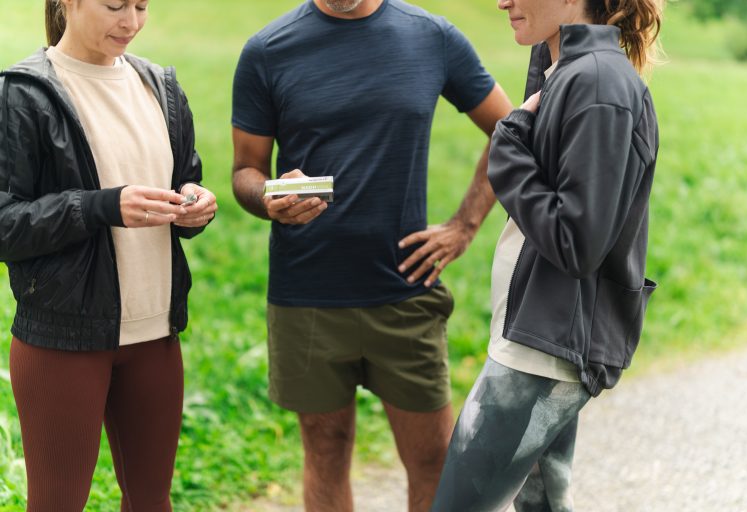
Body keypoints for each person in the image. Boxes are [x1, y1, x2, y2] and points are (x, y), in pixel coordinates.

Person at [231, 0, 512, 510]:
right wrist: (268, 195)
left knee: (434, 457)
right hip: (307, 296)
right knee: (325, 450)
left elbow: (510, 130)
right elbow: (245, 171)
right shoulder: (267, 51)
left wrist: (465, 225)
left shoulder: (432, 37)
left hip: (405, 292)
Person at [430, 0, 662, 510]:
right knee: (543, 504)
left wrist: (507, 149)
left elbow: (576, 242)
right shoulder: (570, 71)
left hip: (543, 349)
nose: (503, 2)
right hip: (541, 334)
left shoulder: (598, 83)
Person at [0, 0, 217, 510]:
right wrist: (102, 206)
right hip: (64, 340)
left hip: (157, 335)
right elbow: (6, 222)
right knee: (57, 503)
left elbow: (185, 177)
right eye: (115, 5)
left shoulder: (160, 86)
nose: (132, 22)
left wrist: (195, 206)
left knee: (151, 501)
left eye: (142, 6)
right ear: (67, 3)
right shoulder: (23, 93)